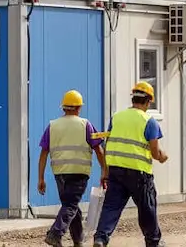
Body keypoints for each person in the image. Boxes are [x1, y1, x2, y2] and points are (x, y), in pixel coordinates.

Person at [92, 81, 168, 247]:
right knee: (147, 207)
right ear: (148, 101)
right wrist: (163, 157)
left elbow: (108, 144)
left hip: (116, 171)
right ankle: (153, 241)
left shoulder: (116, 117)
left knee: (111, 207)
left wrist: (105, 172)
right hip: (139, 173)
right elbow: (155, 152)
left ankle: (100, 238)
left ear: (133, 99)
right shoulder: (149, 121)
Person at [37, 89, 107, 247]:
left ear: (64, 107)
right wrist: (104, 170)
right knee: (71, 205)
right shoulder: (86, 125)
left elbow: (43, 153)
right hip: (78, 172)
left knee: (70, 204)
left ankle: (78, 240)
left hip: (59, 174)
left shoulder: (52, 126)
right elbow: (99, 150)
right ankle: (55, 233)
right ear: (78, 108)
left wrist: (40, 178)